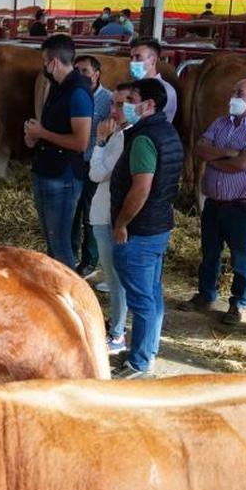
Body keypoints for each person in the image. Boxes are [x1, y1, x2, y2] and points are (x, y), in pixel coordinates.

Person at [181, 78, 246, 325]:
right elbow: (199, 148)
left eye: (239, 93)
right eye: (233, 91)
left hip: (240, 204)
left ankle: (238, 302)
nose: (232, 96)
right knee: (209, 252)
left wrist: (216, 157)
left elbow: (241, 164)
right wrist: (229, 152)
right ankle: (206, 294)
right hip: (214, 201)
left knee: (240, 256)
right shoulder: (221, 122)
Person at [109, 77, 182, 379]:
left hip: (139, 230)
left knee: (141, 301)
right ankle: (147, 351)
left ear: (149, 104)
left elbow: (141, 188)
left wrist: (122, 223)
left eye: (132, 99)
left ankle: (139, 363)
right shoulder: (167, 131)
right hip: (158, 225)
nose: (126, 105)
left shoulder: (143, 138)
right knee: (152, 295)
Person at [24, 33, 93, 268]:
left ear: (53, 62)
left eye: (45, 61)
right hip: (47, 170)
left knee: (61, 244)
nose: (44, 66)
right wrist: (34, 136)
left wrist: (42, 133)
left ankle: (69, 296)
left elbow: (80, 142)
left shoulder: (78, 93)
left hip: (64, 177)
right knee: (52, 242)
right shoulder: (58, 87)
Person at [87, 84, 135, 354]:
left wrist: (99, 143)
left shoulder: (121, 138)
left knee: (115, 280)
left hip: (107, 215)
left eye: (120, 104)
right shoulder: (123, 134)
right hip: (105, 212)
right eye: (113, 104)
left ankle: (117, 334)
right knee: (116, 278)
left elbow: (96, 174)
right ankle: (117, 325)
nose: (113, 110)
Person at [72, 55, 112, 276]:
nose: (81, 75)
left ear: (97, 74)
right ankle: (70, 253)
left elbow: (109, 133)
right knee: (72, 211)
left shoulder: (107, 100)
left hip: (94, 163)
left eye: (85, 71)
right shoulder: (72, 95)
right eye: (77, 71)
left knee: (90, 213)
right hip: (74, 161)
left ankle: (89, 260)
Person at [129, 37, 177, 123]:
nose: (133, 62)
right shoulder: (132, 86)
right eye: (131, 58)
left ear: (153, 61)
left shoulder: (165, 91)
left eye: (138, 57)